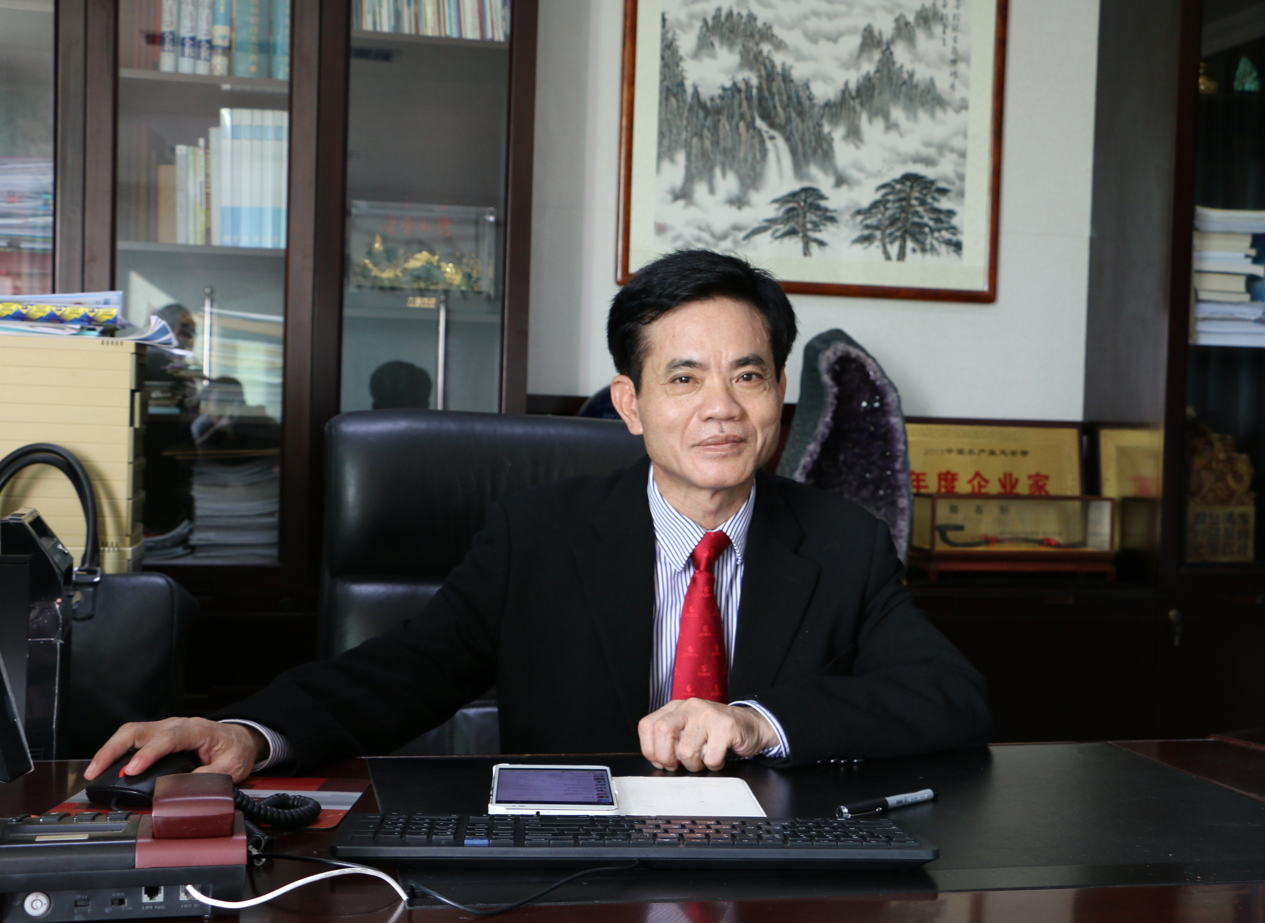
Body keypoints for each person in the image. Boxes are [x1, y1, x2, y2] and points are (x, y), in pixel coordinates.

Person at [85, 250, 991, 786]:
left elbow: (950, 696)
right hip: (569, 866)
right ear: (630, 404)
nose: (720, 407)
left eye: (746, 375)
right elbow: (404, 670)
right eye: (683, 378)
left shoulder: (839, 540)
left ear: (778, 395)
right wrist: (248, 731)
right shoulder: (538, 535)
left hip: (775, 868)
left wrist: (758, 718)